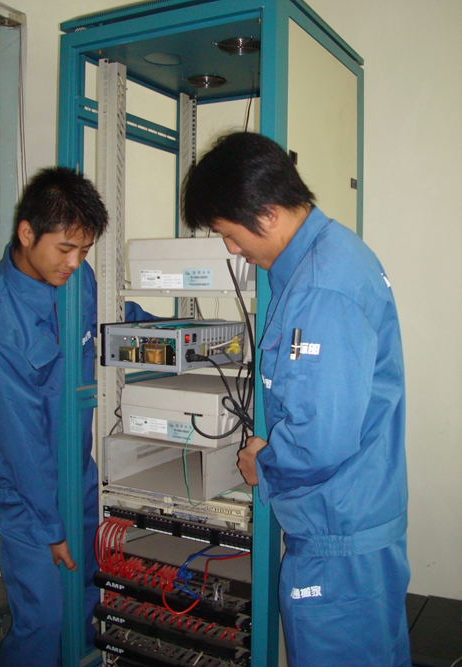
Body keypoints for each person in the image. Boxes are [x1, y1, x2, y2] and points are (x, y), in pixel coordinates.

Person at [182, 132, 410, 667]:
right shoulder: (331, 256)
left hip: (338, 539)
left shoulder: (321, 287)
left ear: (267, 213)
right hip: (353, 523)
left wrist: (263, 463)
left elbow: (320, 438)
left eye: (230, 234)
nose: (231, 249)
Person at [0, 167, 153, 667]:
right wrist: (51, 528)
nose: (75, 262)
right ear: (26, 233)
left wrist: (175, 335)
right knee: (44, 618)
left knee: (88, 596)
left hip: (78, 472)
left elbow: (111, 318)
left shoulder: (75, 277)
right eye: (65, 248)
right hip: (24, 494)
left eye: (84, 250)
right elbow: (21, 443)